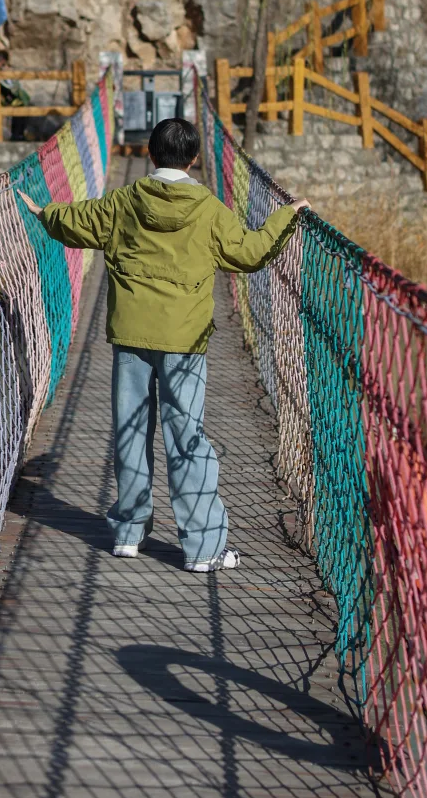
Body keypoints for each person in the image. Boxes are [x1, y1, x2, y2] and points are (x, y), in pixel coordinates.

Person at [18, 116, 308, 574]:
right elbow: (250, 253)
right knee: (186, 437)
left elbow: (77, 222)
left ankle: (129, 533)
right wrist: (285, 220)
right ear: (194, 159)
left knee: (131, 431)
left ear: (150, 155)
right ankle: (203, 548)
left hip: (130, 334)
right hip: (185, 340)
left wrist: (44, 212)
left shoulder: (125, 201)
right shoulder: (209, 208)